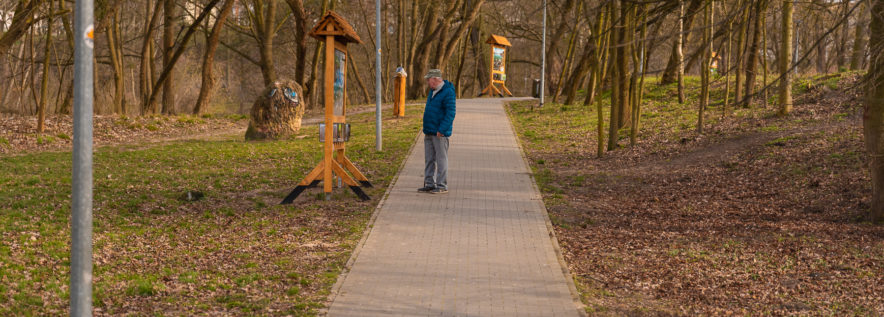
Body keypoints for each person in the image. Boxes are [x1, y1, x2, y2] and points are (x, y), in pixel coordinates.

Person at [418, 69, 456, 194]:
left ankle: (441, 185)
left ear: (435, 79)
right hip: (429, 130)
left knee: (441, 159)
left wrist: (442, 129)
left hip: (440, 132)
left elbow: (450, 113)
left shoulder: (448, 92)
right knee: (429, 159)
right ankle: (429, 183)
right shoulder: (432, 91)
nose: (428, 82)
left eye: (429, 80)